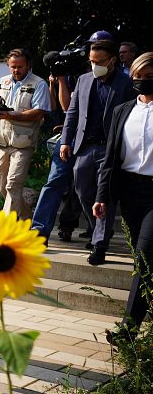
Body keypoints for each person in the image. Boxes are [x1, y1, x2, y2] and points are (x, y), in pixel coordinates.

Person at [93, 52, 153, 342]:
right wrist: (101, 195)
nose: (142, 82)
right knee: (144, 260)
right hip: (129, 191)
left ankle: (128, 330)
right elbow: (110, 158)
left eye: (148, 77)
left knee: (144, 258)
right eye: (137, 77)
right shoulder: (122, 110)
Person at [60, 39, 135, 265]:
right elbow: (72, 114)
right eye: (92, 61)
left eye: (100, 61)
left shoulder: (126, 82)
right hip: (85, 146)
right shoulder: (83, 80)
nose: (95, 65)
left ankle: (99, 244)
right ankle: (98, 231)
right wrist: (65, 141)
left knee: (105, 196)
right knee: (82, 192)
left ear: (112, 59)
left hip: (111, 147)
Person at [0, 48, 51, 219]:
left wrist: (10, 115)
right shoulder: (2, 82)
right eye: (13, 67)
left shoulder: (39, 84)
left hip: (23, 143)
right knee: (3, 187)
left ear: (29, 65)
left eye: (20, 66)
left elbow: (39, 113)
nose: (16, 70)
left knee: (13, 185)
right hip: (2, 142)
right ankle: (26, 218)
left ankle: (6, 228)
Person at [31, 70, 85, 244]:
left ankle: (99, 236)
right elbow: (54, 108)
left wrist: (62, 80)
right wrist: (55, 83)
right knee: (53, 183)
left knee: (84, 188)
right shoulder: (66, 78)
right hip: (65, 137)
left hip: (89, 139)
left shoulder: (86, 79)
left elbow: (68, 107)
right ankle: (38, 233)